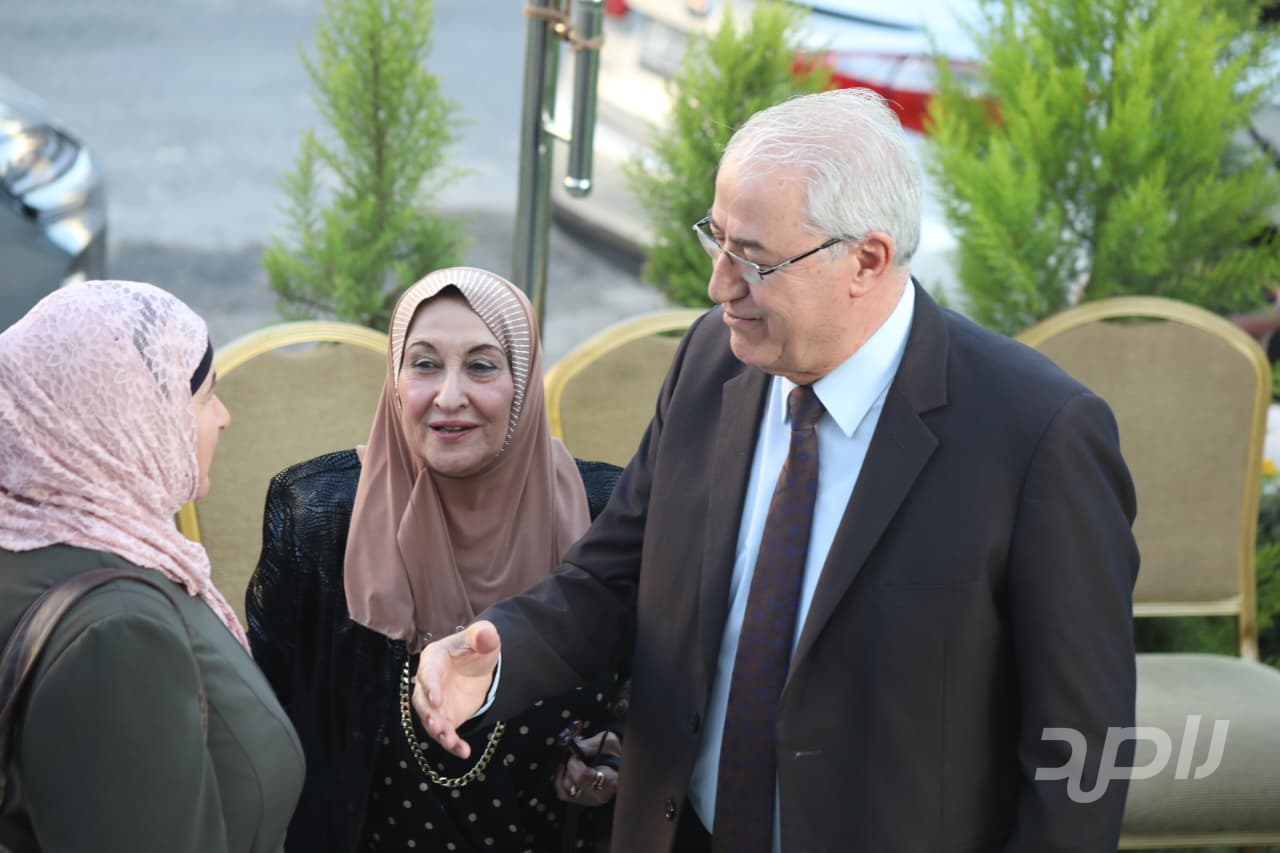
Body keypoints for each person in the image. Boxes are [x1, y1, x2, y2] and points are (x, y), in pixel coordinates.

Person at [413, 89, 1141, 853]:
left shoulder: (1037, 434)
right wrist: (498, 654)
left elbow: (1083, 747)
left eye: (754, 259)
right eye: (716, 239)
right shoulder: (711, 361)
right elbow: (612, 579)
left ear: (866, 260)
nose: (719, 285)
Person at [246, 267, 625, 853]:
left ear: (524, 382)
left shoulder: (606, 514)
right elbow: (267, 713)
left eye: (482, 366)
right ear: (395, 382)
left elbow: (655, 695)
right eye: (424, 364)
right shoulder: (318, 515)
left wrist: (612, 764)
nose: (449, 397)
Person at [0, 279, 304, 852]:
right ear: (132, 419)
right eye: (205, 397)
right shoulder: (117, 630)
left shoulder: (33, 538)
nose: (224, 417)